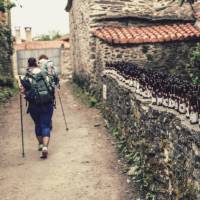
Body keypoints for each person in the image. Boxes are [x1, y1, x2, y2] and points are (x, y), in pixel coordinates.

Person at [20, 57, 59, 159]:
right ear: (37, 64)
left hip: (34, 105)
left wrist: (23, 92)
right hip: (47, 103)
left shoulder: (26, 76)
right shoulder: (45, 73)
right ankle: (46, 147)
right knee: (45, 125)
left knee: (38, 124)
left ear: (28, 64)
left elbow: (24, 91)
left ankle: (41, 144)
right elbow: (52, 85)